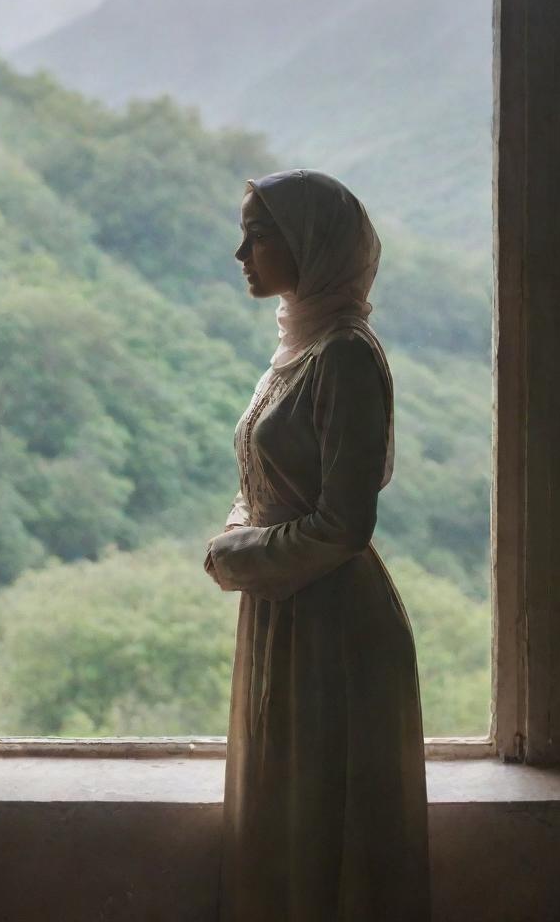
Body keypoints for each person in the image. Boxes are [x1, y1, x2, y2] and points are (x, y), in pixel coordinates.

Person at [203, 169, 432, 921]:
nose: (242, 252)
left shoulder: (345, 358)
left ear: (312, 243)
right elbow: (260, 473)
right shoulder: (297, 350)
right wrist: (241, 531)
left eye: (258, 234)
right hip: (284, 607)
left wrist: (240, 557)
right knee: (282, 816)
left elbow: (343, 525)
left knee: (325, 832)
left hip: (334, 623)